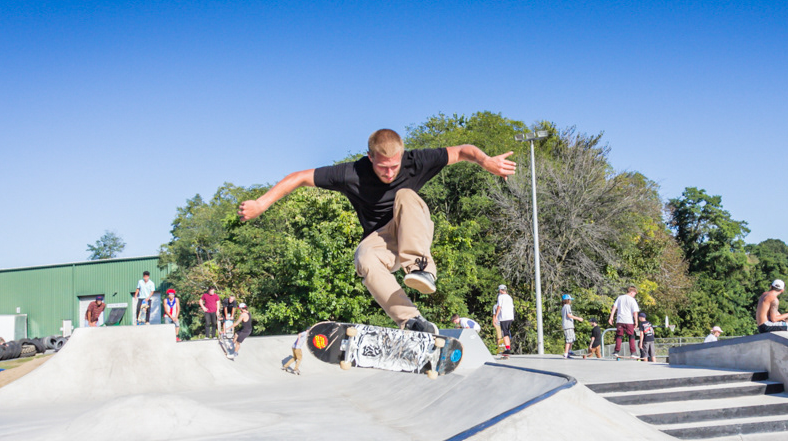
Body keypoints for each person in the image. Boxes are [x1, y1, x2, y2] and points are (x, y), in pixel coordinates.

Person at [238, 129, 516, 334]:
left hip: (412, 228)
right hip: (382, 242)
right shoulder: (351, 173)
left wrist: (486, 161)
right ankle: (411, 321)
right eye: (382, 167)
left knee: (406, 194)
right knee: (363, 257)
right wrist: (261, 204)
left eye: (394, 166)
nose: (389, 172)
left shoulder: (415, 161)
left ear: (402, 156)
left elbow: (463, 150)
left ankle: (421, 268)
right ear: (369, 157)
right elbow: (298, 177)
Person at [608, 286, 640, 358]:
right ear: (632, 292)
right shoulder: (632, 300)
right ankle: (633, 352)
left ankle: (616, 351)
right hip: (629, 321)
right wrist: (636, 321)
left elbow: (614, 307)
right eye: (634, 294)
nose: (634, 295)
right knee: (631, 336)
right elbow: (635, 312)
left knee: (619, 335)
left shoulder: (620, 298)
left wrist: (611, 317)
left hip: (620, 320)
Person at [494, 284, 515, 356]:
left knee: (505, 334)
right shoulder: (509, 297)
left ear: (500, 290)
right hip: (510, 317)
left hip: (504, 317)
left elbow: (499, 306)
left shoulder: (501, 297)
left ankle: (507, 349)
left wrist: (496, 316)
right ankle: (508, 348)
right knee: (507, 333)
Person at [561, 294, 583, 358]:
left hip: (569, 325)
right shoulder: (567, 306)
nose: (571, 301)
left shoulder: (564, 307)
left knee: (572, 338)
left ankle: (569, 351)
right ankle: (566, 353)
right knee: (569, 339)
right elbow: (569, 315)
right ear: (567, 300)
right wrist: (578, 318)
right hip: (568, 325)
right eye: (570, 300)